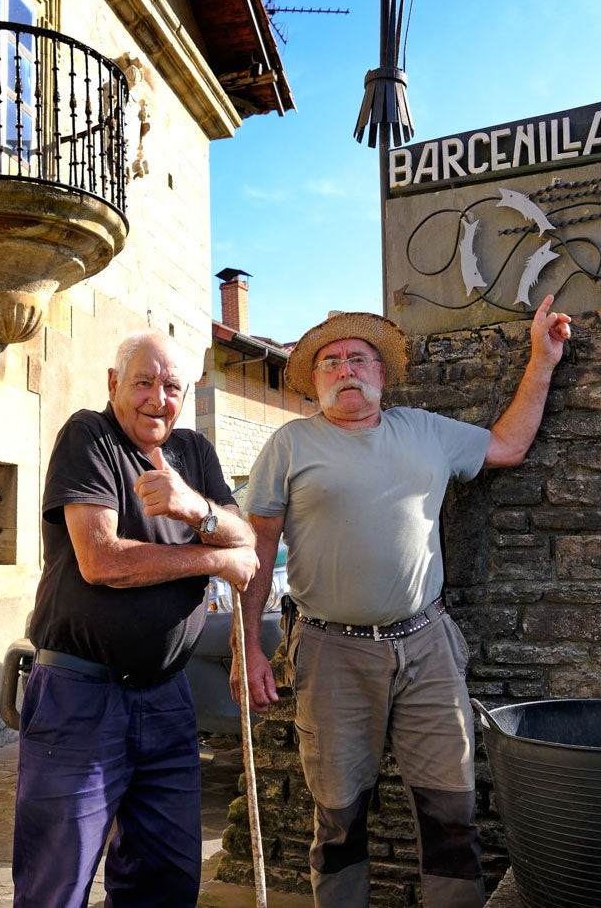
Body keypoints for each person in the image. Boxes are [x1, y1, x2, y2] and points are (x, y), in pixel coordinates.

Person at [231, 296, 572, 907]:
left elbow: (509, 445)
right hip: (330, 652)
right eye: (330, 362)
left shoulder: (425, 432)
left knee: (452, 812)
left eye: (358, 358)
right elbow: (256, 549)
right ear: (314, 382)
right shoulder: (290, 444)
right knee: (338, 819)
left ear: (382, 374)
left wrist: (541, 360)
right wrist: (247, 647)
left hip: (428, 646)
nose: (345, 369)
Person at [13, 330, 259, 908]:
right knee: (57, 883)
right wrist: (215, 557)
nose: (158, 397)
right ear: (113, 385)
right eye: (143, 382)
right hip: (80, 695)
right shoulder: (89, 436)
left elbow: (244, 531)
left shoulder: (194, 452)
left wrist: (193, 507)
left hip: (167, 699)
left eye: (171, 386)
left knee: (167, 878)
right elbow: (101, 562)